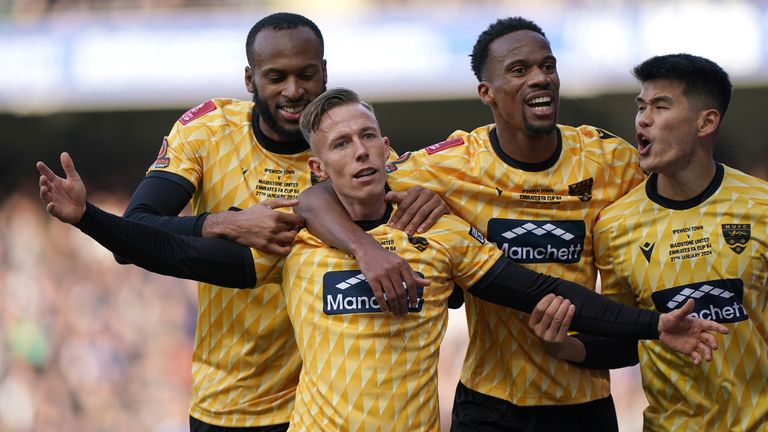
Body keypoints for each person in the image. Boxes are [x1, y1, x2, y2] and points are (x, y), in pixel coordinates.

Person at [38, 88, 727, 431]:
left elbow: (540, 287)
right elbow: (170, 250)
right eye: (341, 145)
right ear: (319, 166)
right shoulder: (293, 241)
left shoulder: (442, 238)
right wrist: (90, 218)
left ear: (388, 147)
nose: (360, 152)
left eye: (368, 137)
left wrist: (650, 325)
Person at [295, 17, 646, 431]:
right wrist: (366, 248)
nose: (540, 78)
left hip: (584, 398)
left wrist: (579, 345)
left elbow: (627, 330)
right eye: (520, 70)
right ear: (487, 92)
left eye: (547, 67)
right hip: (489, 403)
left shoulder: (611, 161)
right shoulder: (450, 164)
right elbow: (317, 197)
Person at [110, 12, 444, 432]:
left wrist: (433, 202)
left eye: (306, 74)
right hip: (236, 401)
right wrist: (222, 224)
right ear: (250, 79)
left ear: (324, 72)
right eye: (276, 77)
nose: (293, 91)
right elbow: (132, 234)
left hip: (331, 410)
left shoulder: (360, 150)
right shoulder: (207, 132)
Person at [530, 54, 768, 432]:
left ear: (706, 121)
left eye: (661, 106)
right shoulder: (614, 225)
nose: (643, 119)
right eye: (641, 107)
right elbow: (624, 339)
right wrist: (564, 347)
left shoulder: (761, 206)